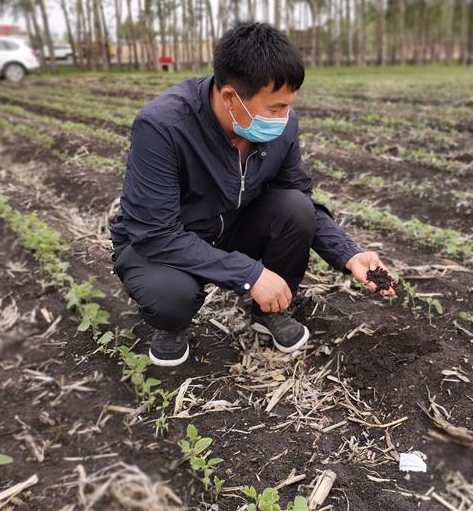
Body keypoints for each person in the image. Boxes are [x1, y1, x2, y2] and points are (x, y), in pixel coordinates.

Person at [108, 21, 395, 367]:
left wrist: (349, 254)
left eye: (288, 105)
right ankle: (172, 325)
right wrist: (249, 274)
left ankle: (268, 312)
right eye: (274, 108)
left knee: (296, 208)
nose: (284, 117)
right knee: (170, 298)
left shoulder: (282, 127)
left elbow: (296, 193)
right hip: (166, 241)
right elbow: (155, 232)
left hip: (231, 225)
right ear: (230, 97)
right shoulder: (162, 127)